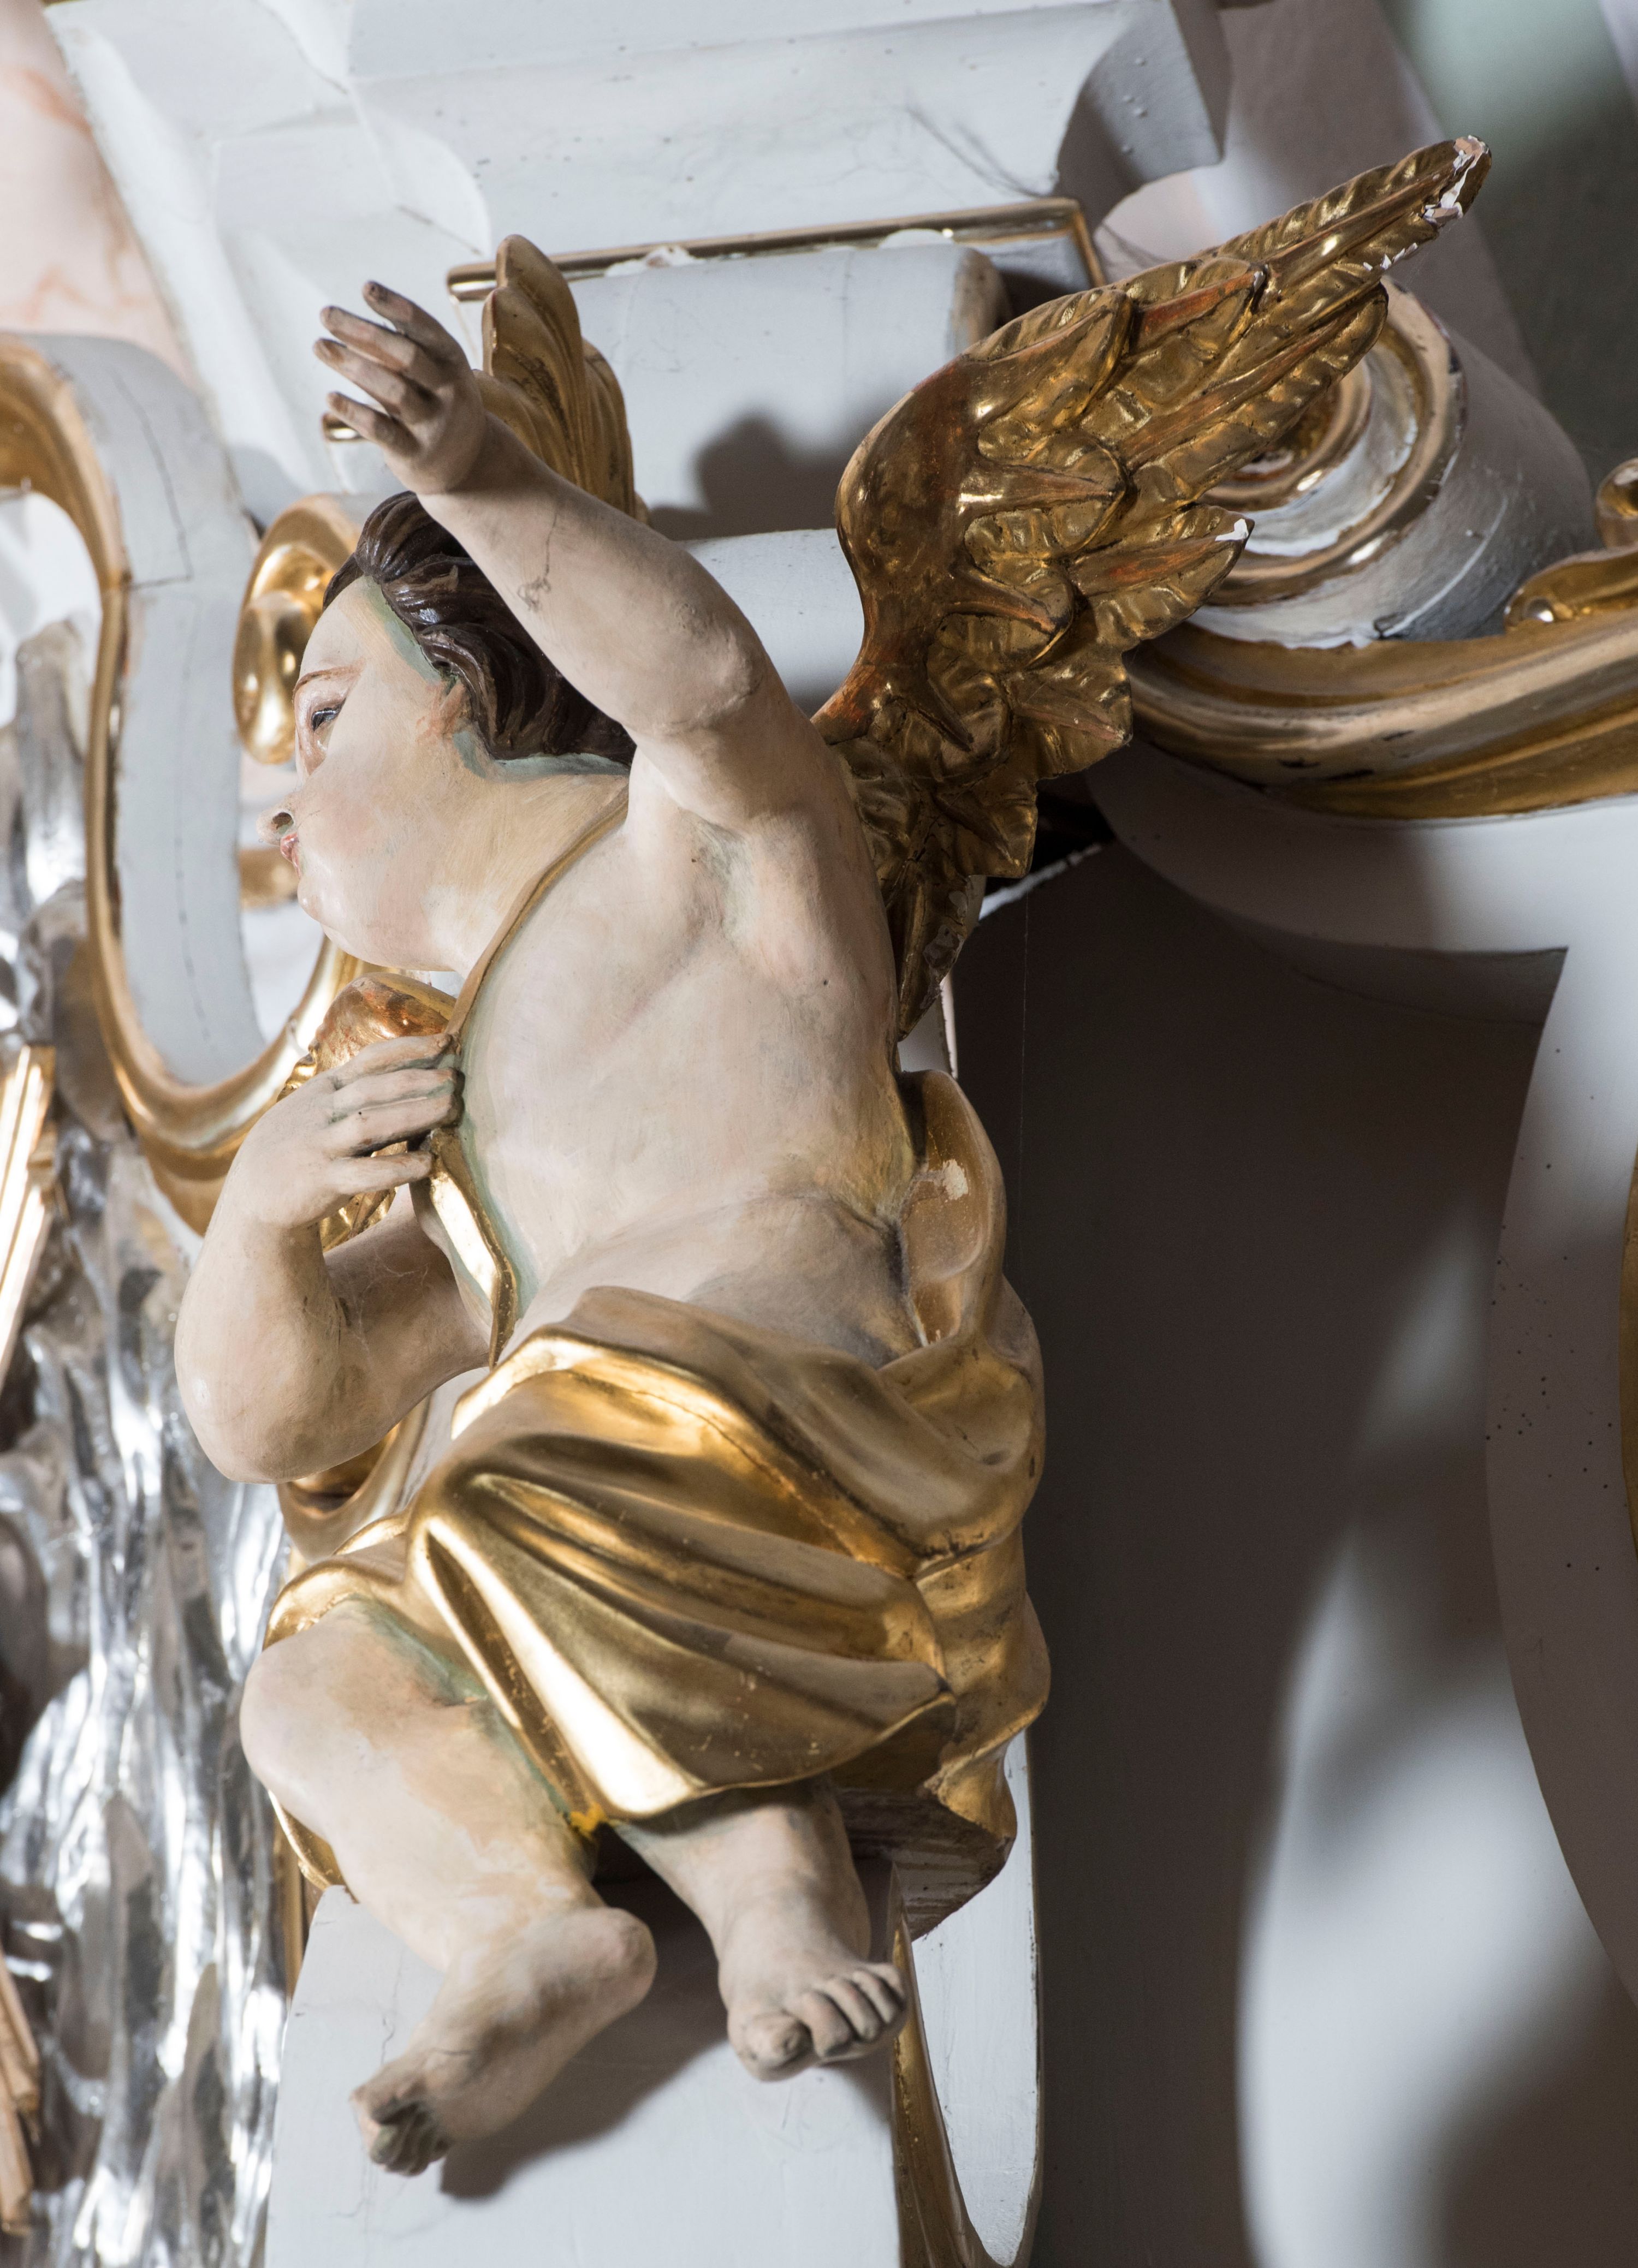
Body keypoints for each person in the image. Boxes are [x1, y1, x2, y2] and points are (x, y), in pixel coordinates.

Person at [174, 279, 1045, 2177]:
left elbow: (710, 684)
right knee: (310, 1683)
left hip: (818, 1436)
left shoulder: (706, 853)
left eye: (324, 720)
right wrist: (257, 1223)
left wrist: (476, 474)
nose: (283, 808)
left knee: (543, 1459)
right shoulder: (455, 1121)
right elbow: (271, 1420)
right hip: (604, 1481)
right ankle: (524, 1928)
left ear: (470, 690)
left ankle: (773, 1890)